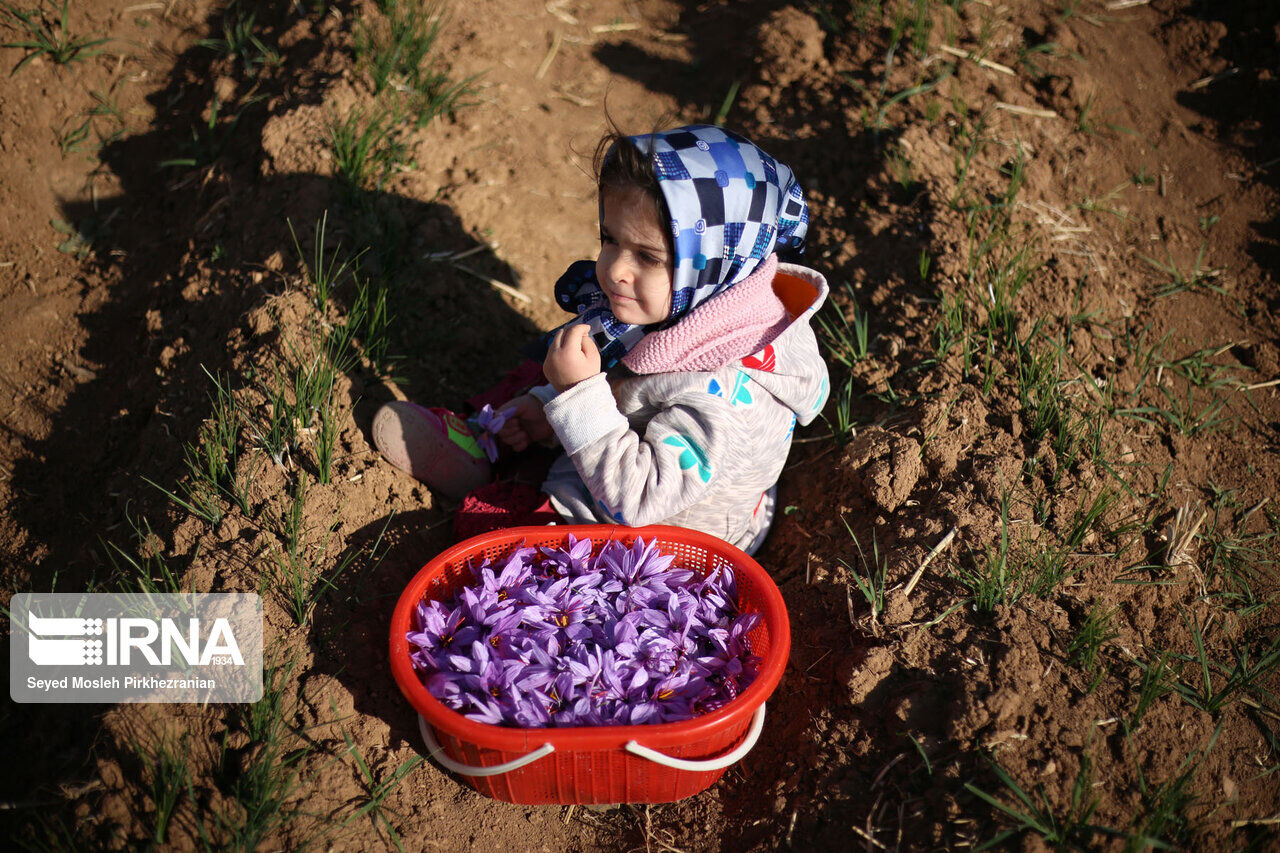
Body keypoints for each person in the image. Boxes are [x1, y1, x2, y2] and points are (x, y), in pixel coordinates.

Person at [373, 124, 830, 555]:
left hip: (654, 538)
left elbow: (640, 498)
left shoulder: (725, 400)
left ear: (716, 262)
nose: (613, 269)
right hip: (625, 449)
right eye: (609, 239)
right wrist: (546, 406)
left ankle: (495, 470)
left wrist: (577, 396)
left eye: (647, 256)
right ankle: (487, 436)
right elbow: (625, 372)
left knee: (492, 535)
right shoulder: (698, 304)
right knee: (552, 364)